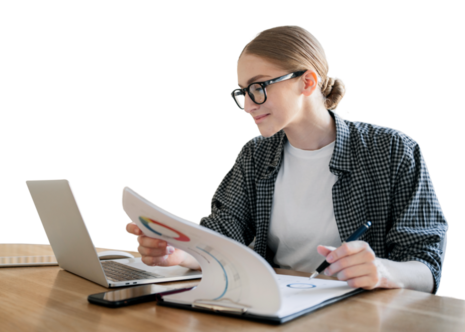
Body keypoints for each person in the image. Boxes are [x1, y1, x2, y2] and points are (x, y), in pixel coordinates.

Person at [125, 23, 448, 294]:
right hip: (277, 306)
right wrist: (179, 252)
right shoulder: (256, 154)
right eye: (242, 93)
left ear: (307, 82)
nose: (249, 105)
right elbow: (223, 237)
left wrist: (383, 271)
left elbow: (427, 265)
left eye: (259, 88)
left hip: (362, 314)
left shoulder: (392, 149)